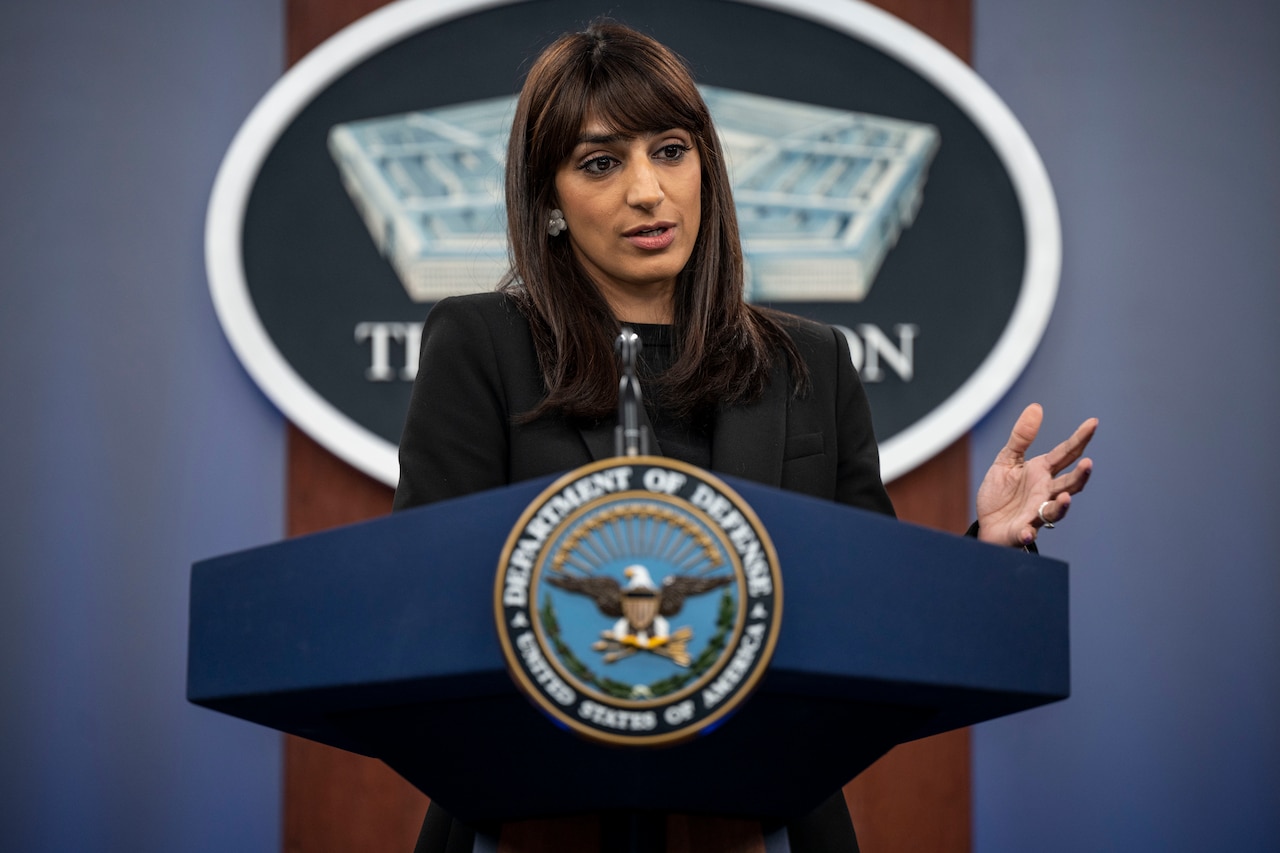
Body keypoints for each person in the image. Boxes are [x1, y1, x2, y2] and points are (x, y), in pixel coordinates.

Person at [393, 20, 1096, 853]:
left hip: (764, 827)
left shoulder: (811, 362)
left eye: (671, 150)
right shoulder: (481, 344)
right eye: (600, 162)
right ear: (548, 197)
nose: (648, 192)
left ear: (707, 168)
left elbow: (872, 621)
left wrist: (989, 547)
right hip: (534, 821)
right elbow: (426, 608)